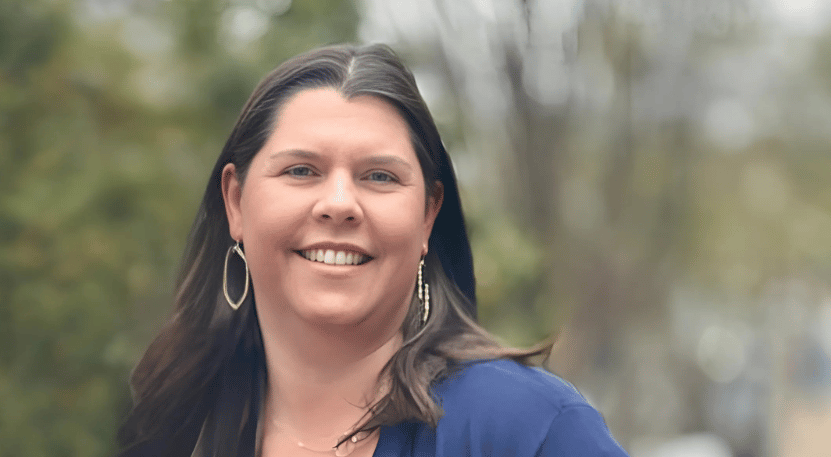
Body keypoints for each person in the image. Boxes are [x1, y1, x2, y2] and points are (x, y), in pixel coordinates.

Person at [116, 43, 628, 457]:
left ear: (428, 215)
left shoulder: (525, 426)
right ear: (235, 203)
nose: (339, 204)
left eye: (379, 176)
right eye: (301, 170)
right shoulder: (175, 428)